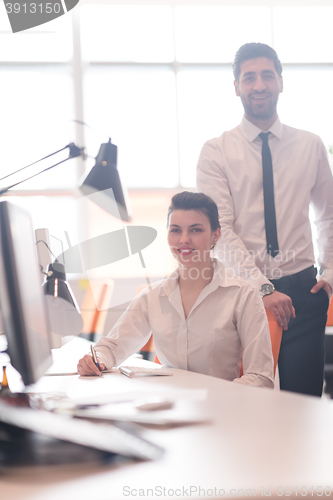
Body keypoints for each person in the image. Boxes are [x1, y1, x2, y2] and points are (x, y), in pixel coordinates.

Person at [196, 42, 333, 397]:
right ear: (237, 87)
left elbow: (328, 213)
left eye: (267, 76)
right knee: (244, 402)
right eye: (249, 77)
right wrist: (263, 288)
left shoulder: (310, 145)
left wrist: (330, 270)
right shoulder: (216, 151)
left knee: (303, 405)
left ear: (281, 82)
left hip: (304, 292)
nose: (259, 85)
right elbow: (219, 232)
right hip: (242, 294)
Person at [77, 191, 274, 388]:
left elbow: (260, 377)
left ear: (216, 235)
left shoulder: (243, 295)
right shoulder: (152, 296)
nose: (184, 239)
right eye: (176, 230)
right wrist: (96, 360)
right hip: (167, 406)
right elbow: (112, 347)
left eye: (195, 230)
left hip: (220, 408)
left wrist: (219, 397)